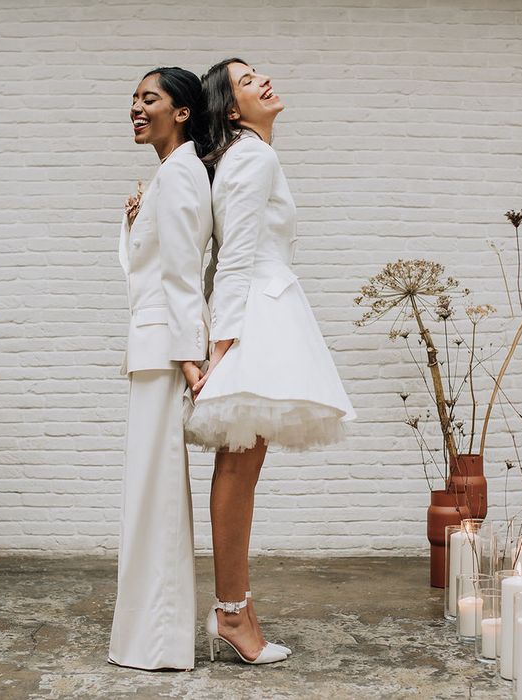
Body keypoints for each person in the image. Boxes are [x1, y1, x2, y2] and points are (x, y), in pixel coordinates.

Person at [184, 58, 355, 665]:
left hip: (259, 307)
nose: (263, 80)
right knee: (239, 470)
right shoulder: (254, 157)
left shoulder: (244, 157)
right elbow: (235, 255)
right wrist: (223, 346)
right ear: (232, 109)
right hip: (254, 312)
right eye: (247, 79)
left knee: (242, 468)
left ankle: (236, 607)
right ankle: (232, 612)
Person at [108, 66, 212, 671]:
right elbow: (150, 269)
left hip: (165, 350)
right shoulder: (169, 175)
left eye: (150, 99)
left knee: (157, 493)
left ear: (182, 112)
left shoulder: (181, 174)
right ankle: (149, 636)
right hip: (155, 346)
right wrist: (135, 219)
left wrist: (188, 357)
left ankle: (159, 641)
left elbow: (181, 275)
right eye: (134, 100)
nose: (136, 108)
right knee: (148, 494)